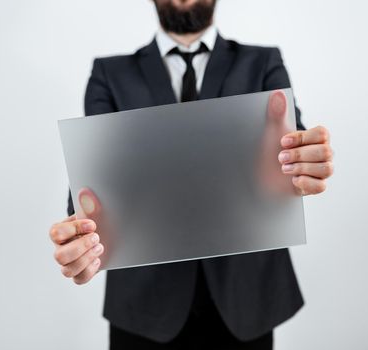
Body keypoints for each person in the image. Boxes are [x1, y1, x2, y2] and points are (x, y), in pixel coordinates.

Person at [49, 0, 334, 348]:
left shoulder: (262, 62)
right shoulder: (110, 73)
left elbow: (291, 145)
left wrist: (303, 162)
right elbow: (93, 177)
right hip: (144, 303)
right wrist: (81, 232)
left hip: (246, 297)